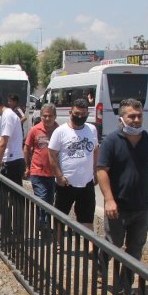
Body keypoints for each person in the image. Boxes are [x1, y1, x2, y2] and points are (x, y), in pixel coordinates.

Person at [96, 98, 148, 295]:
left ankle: (124, 286)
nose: (136, 120)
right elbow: (101, 171)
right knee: (112, 244)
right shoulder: (111, 141)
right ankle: (100, 269)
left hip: (141, 207)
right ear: (121, 119)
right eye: (131, 116)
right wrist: (109, 199)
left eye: (139, 116)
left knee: (135, 249)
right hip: (117, 206)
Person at [47, 97, 98, 232]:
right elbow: (52, 155)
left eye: (83, 114)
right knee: (60, 216)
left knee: (87, 219)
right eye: (77, 114)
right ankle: (58, 245)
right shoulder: (61, 131)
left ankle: (90, 250)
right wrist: (59, 176)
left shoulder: (92, 129)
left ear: (87, 114)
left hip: (86, 183)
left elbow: (95, 150)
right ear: (71, 113)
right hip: (66, 183)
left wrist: (95, 171)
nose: (79, 117)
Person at [23, 103, 59, 233]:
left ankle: (45, 224)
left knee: (50, 201)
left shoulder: (59, 130)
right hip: (38, 172)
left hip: (53, 173)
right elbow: (27, 148)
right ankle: (42, 225)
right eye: (45, 116)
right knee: (42, 198)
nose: (47, 118)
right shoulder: (34, 130)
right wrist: (27, 166)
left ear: (55, 116)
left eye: (50, 116)